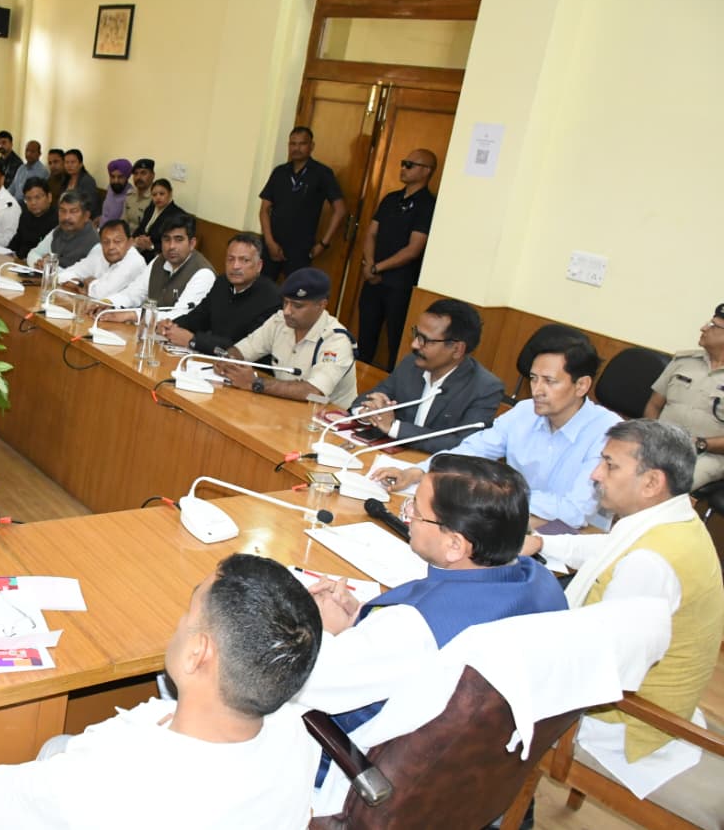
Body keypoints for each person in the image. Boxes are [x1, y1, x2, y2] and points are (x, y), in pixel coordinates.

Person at [0, 553, 324, 829]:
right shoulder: (297, 736)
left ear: (197, 654)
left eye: (190, 612)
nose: (180, 621)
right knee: (55, 747)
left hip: (64, 801)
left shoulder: (108, 776)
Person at [296, 456, 566, 781]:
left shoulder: (411, 628)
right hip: (469, 770)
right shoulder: (543, 582)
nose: (407, 515)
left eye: (416, 510)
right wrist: (364, 619)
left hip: (360, 764)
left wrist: (325, 631)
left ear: (455, 544)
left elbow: (309, 682)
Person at [523, 420, 724, 807]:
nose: (595, 474)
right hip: (650, 699)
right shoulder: (672, 521)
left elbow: (603, 672)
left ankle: (509, 813)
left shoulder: (650, 563)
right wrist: (541, 543)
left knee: (482, 698)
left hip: (625, 725)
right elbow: (608, 550)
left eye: (610, 465)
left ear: (651, 482)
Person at [373, 328, 622, 530]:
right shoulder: (525, 411)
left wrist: (499, 495)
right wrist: (418, 472)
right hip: (512, 518)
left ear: (581, 386)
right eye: (533, 379)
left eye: (549, 381)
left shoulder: (607, 432)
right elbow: (473, 450)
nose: (537, 390)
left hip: (571, 538)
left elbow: (575, 511)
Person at [351, 298, 504, 452]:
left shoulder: (485, 388)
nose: (414, 344)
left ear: (457, 349)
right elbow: (366, 399)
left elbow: (464, 445)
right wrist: (368, 412)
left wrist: (394, 427)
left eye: (425, 340)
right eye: (416, 334)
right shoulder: (411, 364)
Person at [215, 267, 357, 408]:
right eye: (285, 302)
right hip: (284, 404)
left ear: (321, 305)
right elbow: (244, 349)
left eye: (297, 306)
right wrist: (228, 361)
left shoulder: (337, 340)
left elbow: (313, 392)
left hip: (326, 413)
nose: (287, 311)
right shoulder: (279, 322)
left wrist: (255, 383)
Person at [358, 149, 438, 368]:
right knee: (365, 337)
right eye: (403, 163)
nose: (403, 168)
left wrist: (377, 268)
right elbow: (371, 233)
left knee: (396, 339)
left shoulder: (428, 205)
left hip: (399, 285)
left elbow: (413, 249)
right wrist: (369, 265)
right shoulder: (390, 199)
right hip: (372, 279)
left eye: (409, 165)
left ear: (426, 171)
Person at [157, 233, 281, 356]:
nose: (235, 266)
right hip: (210, 358)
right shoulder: (222, 283)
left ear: (259, 266)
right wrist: (170, 325)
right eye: (230, 259)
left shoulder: (271, 298)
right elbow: (197, 317)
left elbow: (244, 348)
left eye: (244, 260)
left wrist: (194, 341)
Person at [644, 303, 724, 489]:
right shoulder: (684, 361)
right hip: (660, 442)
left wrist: (701, 444)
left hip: (708, 455)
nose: (703, 328)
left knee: (667, 484)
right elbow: (654, 405)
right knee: (620, 464)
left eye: (713, 326)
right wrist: (653, 435)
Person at [258, 126, 346, 280]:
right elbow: (264, 209)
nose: (296, 148)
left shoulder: (322, 173)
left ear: (311, 146)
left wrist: (323, 244)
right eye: (293, 144)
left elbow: (340, 210)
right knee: (262, 289)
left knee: (295, 291)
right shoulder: (279, 172)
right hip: (271, 244)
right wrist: (269, 242)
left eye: (302, 144)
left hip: (300, 249)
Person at [101, 213, 215, 321]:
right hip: (148, 330)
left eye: (178, 239)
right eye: (167, 239)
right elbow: (133, 293)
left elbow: (179, 316)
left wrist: (132, 315)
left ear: (192, 243)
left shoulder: (203, 273)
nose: (171, 246)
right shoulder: (159, 261)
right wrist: (107, 304)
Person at [59, 219, 146, 302]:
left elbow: (100, 294)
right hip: (90, 306)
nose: (111, 247)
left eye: (117, 241)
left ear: (129, 243)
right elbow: (64, 275)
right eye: (106, 242)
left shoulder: (134, 261)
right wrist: (81, 283)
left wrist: (86, 283)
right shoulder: (99, 251)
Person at [26, 190, 99, 269]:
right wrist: (39, 262)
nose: (66, 217)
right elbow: (33, 253)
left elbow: (81, 274)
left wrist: (50, 267)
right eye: (63, 211)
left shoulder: (95, 243)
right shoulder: (58, 230)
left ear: (86, 216)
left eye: (73, 211)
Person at [132, 179, 188, 261]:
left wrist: (151, 246)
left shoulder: (177, 215)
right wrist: (135, 239)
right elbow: (141, 228)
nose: (158, 197)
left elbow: (174, 244)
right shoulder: (150, 209)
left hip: (158, 257)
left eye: (162, 194)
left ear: (170, 193)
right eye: (154, 195)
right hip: (140, 251)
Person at [9, 177, 57, 260]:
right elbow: (16, 241)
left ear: (49, 197)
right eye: (28, 198)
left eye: (37, 197)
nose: (33, 202)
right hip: (19, 261)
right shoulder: (25, 215)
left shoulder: (58, 221)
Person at [61, 148, 99, 218]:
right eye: (67, 162)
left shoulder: (87, 181)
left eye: (73, 162)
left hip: (83, 218)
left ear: (80, 164)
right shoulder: (66, 178)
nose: (69, 165)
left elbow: (90, 207)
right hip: (67, 214)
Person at [123, 157, 155, 234]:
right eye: (136, 173)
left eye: (143, 173)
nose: (138, 177)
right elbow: (123, 221)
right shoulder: (129, 195)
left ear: (152, 175)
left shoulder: (156, 198)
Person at [99, 158, 133, 225]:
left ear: (127, 177)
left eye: (120, 177)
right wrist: (99, 219)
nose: (116, 181)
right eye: (112, 177)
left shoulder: (131, 194)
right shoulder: (110, 188)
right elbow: (106, 213)